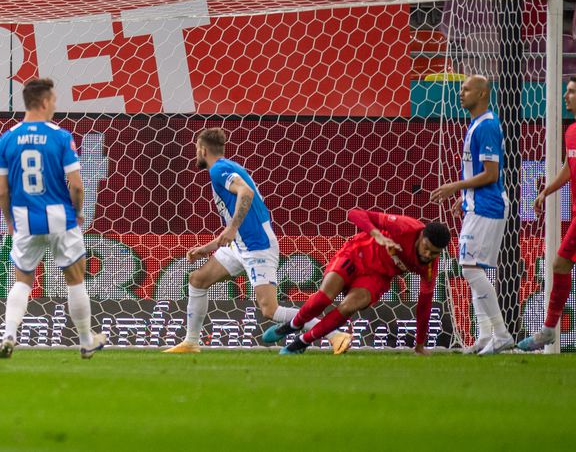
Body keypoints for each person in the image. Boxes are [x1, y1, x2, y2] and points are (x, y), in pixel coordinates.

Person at [164, 128, 350, 355]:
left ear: (202, 149)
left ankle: (334, 334)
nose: (196, 154)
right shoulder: (230, 167)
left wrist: (231, 228)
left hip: (257, 246)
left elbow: (246, 193)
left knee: (269, 309)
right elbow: (241, 219)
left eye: (196, 149)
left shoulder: (219, 169)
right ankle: (191, 342)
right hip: (240, 246)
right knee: (198, 279)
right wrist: (209, 247)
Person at [0, 78, 107, 360]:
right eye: (54, 100)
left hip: (24, 220)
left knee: (22, 280)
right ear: (44, 102)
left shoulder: (7, 138)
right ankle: (85, 340)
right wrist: (79, 212)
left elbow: (2, 191)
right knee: (75, 278)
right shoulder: (60, 136)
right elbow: (77, 185)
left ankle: (9, 333)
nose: (55, 105)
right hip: (60, 219)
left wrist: (9, 219)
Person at [262, 208, 450, 355]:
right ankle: (291, 325)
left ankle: (301, 343)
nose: (428, 255)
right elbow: (355, 214)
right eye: (426, 247)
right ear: (421, 236)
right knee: (323, 298)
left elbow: (424, 305)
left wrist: (420, 344)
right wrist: (377, 234)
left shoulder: (429, 268)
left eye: (434, 253)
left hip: (377, 276)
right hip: (357, 254)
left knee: (348, 306)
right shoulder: (405, 227)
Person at [428, 75, 513, 355]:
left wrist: (456, 187)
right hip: (477, 204)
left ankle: (500, 333)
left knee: (469, 268)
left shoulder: (487, 125)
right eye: (461, 88)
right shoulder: (476, 124)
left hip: (488, 205)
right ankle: (485, 335)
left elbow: (490, 174)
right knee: (473, 268)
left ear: (483, 93)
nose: (460, 93)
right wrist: (464, 198)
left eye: (466, 89)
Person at [518, 76, 576, 351]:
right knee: (560, 265)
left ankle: (549, 329)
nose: (566, 97)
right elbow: (568, 167)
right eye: (566, 91)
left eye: (572, 92)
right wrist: (545, 191)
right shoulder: (571, 131)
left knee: (560, 265)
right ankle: (549, 330)